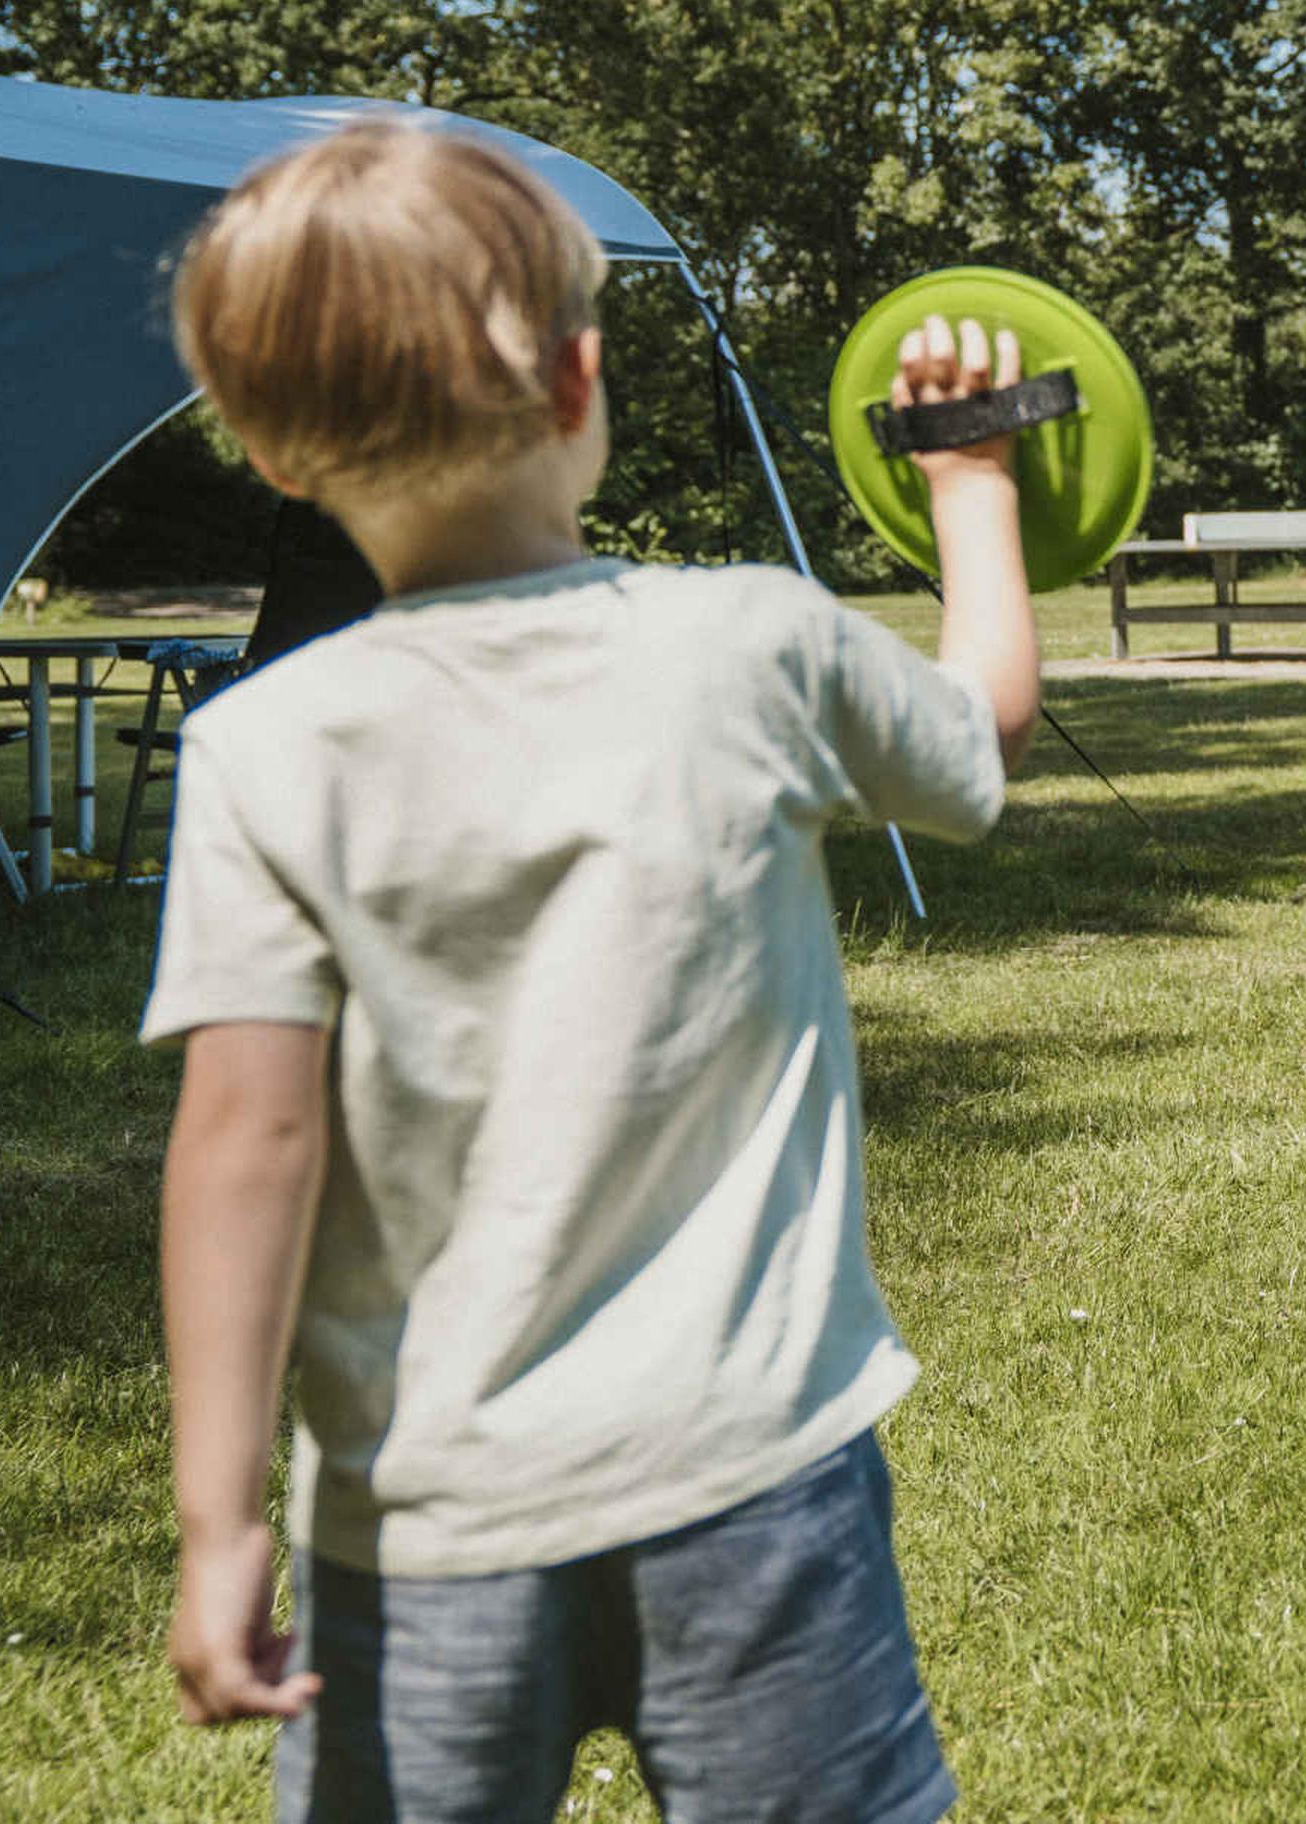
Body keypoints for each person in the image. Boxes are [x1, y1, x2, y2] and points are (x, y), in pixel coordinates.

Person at [142, 122, 1041, 1824]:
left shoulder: (263, 750)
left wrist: (219, 1522)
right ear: (578, 381)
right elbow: (979, 734)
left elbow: (242, 1147)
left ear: (265, 453)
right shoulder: (745, 647)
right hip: (757, 1480)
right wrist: (971, 481)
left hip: (420, 1532)